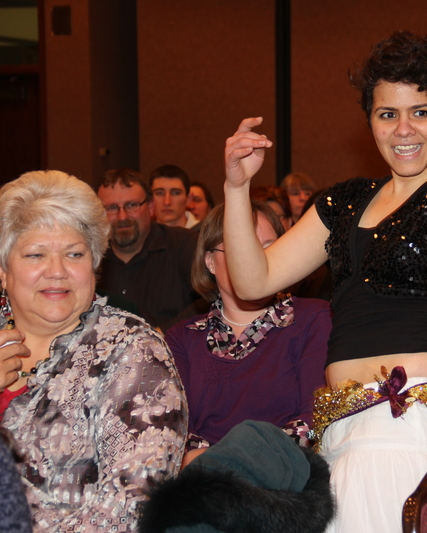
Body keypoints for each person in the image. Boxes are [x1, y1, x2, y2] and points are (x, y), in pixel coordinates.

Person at [221, 31, 427, 533]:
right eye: (388, 114)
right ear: (370, 121)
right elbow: (251, 279)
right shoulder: (343, 202)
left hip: (408, 429)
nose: (404, 128)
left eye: (422, 111)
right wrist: (236, 188)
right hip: (341, 432)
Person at [0, 170, 187, 532]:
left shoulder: (133, 350)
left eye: (74, 254)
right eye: (36, 254)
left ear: (95, 264)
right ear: (4, 272)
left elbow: (131, 506)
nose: (57, 272)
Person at [166, 200, 331, 457]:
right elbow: (175, 427)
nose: (256, 259)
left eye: (268, 247)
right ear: (210, 262)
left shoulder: (314, 318)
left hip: (287, 477)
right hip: (204, 483)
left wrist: (253, 460)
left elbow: (317, 423)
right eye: (241, 249)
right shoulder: (182, 338)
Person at [95, 168, 207, 330]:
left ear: (150, 206)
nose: (122, 216)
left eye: (131, 205)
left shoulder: (185, 244)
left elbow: (214, 298)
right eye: (111, 208)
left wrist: (164, 332)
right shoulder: (89, 256)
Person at [150, 164, 198, 229]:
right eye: (159, 193)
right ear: (149, 200)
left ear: (188, 199)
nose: (167, 202)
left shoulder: (206, 236)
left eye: (175, 193)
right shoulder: (141, 236)